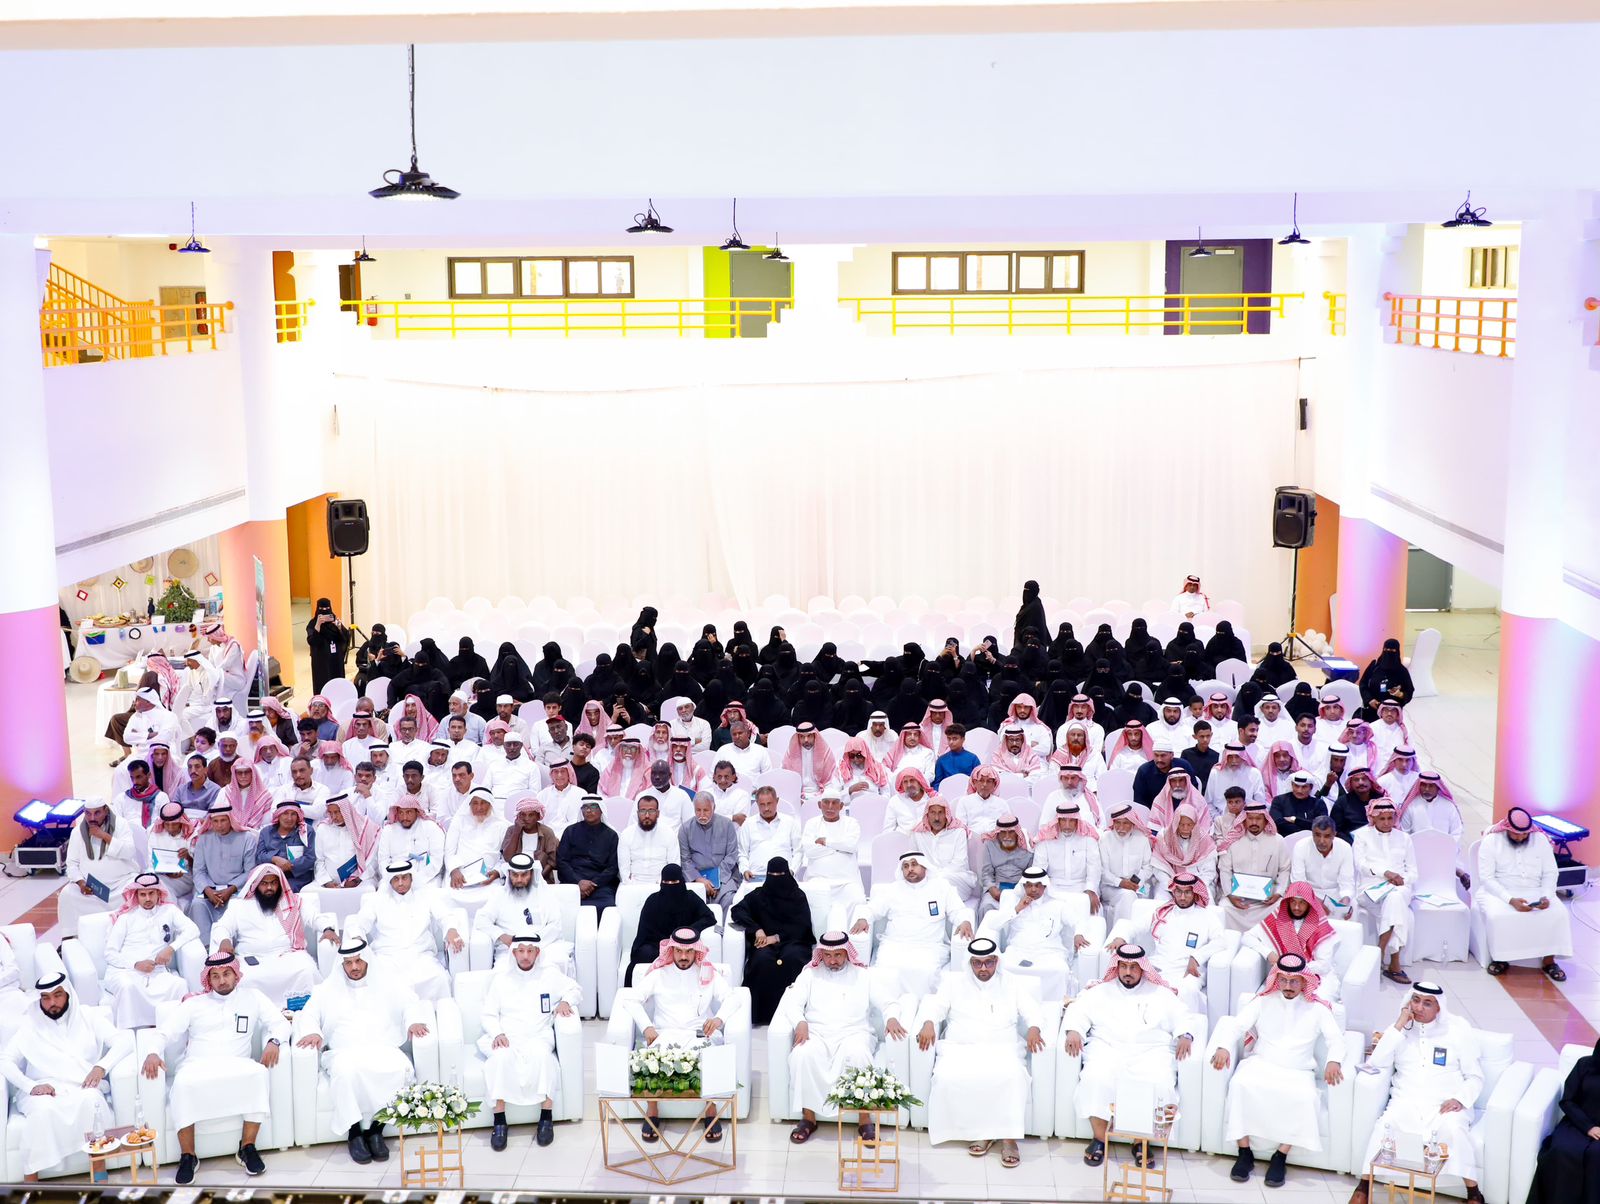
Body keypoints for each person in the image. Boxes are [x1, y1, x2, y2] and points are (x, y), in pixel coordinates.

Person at [143, 951, 287, 1183]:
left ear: (236, 975)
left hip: (237, 1064)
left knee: (259, 1074)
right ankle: (188, 1156)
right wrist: (152, 1052)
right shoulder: (194, 1004)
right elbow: (165, 1032)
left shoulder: (253, 997)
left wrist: (274, 1041)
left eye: (226, 974)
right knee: (182, 1083)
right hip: (197, 1066)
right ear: (208, 980)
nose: (221, 980)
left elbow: (279, 1023)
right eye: (216, 976)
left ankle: (247, 1148)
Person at [1212, 953, 1345, 1187]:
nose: (1288, 986)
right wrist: (1223, 1047)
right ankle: (1245, 1153)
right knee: (1239, 1084)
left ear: (1305, 981)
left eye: (1294, 981)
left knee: (1305, 1097)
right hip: (1262, 1062)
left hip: (1298, 1070)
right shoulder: (1263, 1001)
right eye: (1283, 980)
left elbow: (1336, 1039)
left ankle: (1280, 1156)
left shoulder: (1317, 1009)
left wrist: (1334, 1060)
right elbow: (1237, 1025)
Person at [295, 937, 430, 1164]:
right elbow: (308, 1014)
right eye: (348, 963)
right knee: (346, 1072)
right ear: (341, 965)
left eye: (358, 961)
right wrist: (313, 1032)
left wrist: (413, 1021)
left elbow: (411, 1002)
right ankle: (355, 1133)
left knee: (398, 1068)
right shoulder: (327, 988)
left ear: (367, 961)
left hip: (382, 1046)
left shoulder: (387, 982)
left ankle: (377, 1130)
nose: (354, 967)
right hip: (343, 1051)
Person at [915, 936, 1046, 1166]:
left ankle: (1008, 1139)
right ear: (970, 963)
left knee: (1013, 1077)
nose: (983, 968)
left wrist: (1035, 1028)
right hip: (961, 1048)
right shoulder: (954, 983)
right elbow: (935, 1006)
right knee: (947, 1077)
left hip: (1002, 1048)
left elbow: (1032, 1010)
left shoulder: (1012, 983)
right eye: (977, 963)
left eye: (988, 962)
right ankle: (981, 1134)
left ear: (997, 961)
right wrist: (927, 1022)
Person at [1351, 983, 1485, 1204]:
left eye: (1427, 1003)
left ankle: (1473, 1193)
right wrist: (1400, 1025)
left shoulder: (1457, 1030)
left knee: (1454, 1130)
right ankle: (1363, 1186)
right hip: (1407, 1100)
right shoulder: (1399, 1029)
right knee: (1385, 1125)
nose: (1419, 1007)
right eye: (1415, 1000)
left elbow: (1475, 1076)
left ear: (1438, 1008)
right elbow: (1376, 1061)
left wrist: (1460, 1099)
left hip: (1444, 1104)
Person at [773, 931, 911, 1145]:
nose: (832, 960)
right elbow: (792, 1002)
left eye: (838, 955)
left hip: (854, 1033)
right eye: (827, 956)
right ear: (821, 954)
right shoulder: (810, 974)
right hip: (817, 1033)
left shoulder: (863, 975)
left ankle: (864, 1120)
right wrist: (800, 1022)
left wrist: (891, 1018)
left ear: (847, 953)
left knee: (858, 1055)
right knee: (802, 1054)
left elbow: (888, 1002)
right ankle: (808, 1118)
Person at [1062, 943, 1194, 1167]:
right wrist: (1074, 1030)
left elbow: (1183, 1016)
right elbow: (1078, 1010)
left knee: (1158, 1082)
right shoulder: (1101, 991)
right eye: (1123, 966)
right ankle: (1099, 1139)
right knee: (1096, 1079)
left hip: (1151, 1051)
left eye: (1134, 967)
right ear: (1117, 966)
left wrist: (1185, 1036)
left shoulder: (1160, 993)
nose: (1128, 972)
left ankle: (1141, 1142)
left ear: (1143, 968)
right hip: (1108, 1048)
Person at [0, 970, 134, 1182]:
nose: (52, 1002)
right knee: (42, 1111)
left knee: (92, 1101)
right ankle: (30, 1185)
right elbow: (5, 1060)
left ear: (68, 994)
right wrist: (30, 1086)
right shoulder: (29, 1024)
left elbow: (124, 1041)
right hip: (44, 1091)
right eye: (45, 998)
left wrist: (101, 1067)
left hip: (81, 1086)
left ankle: (99, 1174)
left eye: (58, 995)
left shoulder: (89, 1016)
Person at [624, 928, 739, 1141]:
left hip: (698, 1034)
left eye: (688, 952)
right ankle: (652, 1112)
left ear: (697, 952)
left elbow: (733, 998)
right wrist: (647, 1027)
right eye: (678, 951)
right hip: (665, 1035)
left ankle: (711, 1111)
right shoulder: (659, 974)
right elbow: (631, 999)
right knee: (651, 1055)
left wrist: (717, 1019)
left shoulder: (707, 974)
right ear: (671, 951)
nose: (684, 957)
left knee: (712, 1055)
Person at [478, 932, 581, 1150]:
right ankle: (499, 1122)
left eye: (530, 951)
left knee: (543, 1058)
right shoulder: (501, 979)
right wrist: (497, 1033)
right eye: (521, 951)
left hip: (538, 1035)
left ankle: (546, 1118)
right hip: (508, 1036)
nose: (525, 956)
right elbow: (488, 1014)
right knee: (500, 1059)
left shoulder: (550, 975)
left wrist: (565, 1001)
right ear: (514, 952)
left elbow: (574, 989)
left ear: (537, 952)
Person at [331, 863, 466, 1000]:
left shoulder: (425, 896)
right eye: (395, 879)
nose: (400, 883)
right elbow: (358, 923)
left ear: (411, 878)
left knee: (439, 979)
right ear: (390, 881)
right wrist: (358, 939)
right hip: (387, 958)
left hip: (420, 956)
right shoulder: (377, 900)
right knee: (382, 984)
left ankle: (435, 1016)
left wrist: (451, 930)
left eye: (404, 878)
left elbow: (446, 916)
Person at [850, 850, 974, 996]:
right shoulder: (893, 890)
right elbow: (872, 909)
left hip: (929, 946)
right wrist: (863, 918)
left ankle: (923, 1011)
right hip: (894, 944)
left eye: (914, 864)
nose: (910, 869)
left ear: (924, 866)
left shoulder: (942, 887)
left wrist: (964, 921)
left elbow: (957, 910)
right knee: (885, 972)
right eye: (906, 866)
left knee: (926, 972)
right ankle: (889, 1012)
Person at [1474, 806, 1573, 980]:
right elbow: (1487, 879)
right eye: (1516, 834)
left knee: (1559, 914)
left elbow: (1550, 873)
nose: (1521, 837)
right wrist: (1510, 900)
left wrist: (1546, 896)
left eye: (1525, 834)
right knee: (1498, 915)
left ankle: (1549, 961)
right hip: (1499, 892)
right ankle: (1501, 959)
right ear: (1507, 829)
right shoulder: (1491, 841)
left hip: (1536, 890)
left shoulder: (1540, 840)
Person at [211, 863, 319, 1005]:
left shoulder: (292, 902)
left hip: (288, 955)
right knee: (244, 978)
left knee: (307, 970)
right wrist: (225, 940)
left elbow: (315, 917)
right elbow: (221, 926)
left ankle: (302, 1011)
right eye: (264, 883)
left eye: (274, 883)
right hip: (251, 958)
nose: (269, 887)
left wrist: (328, 929)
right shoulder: (239, 905)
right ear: (255, 884)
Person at [1120, 872, 1225, 1012]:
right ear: (1173, 891)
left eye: (1187, 892)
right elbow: (1134, 926)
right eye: (1179, 892)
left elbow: (1221, 941)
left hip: (1187, 972)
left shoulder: (1207, 916)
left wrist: (1197, 957)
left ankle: (1186, 1031)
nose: (1182, 897)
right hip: (1159, 965)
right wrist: (1121, 937)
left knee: (1187, 991)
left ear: (1194, 893)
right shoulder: (1162, 912)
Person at [730, 857, 816, 1024]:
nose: (776, 879)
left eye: (780, 874)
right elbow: (737, 910)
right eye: (772, 875)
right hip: (764, 945)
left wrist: (776, 937)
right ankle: (761, 1016)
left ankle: (794, 1014)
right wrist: (757, 929)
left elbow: (802, 927)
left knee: (792, 959)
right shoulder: (759, 895)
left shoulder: (797, 896)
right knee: (762, 960)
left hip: (793, 941)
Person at [984, 867, 1087, 999]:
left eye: (1038, 885)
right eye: (1029, 885)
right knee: (1002, 968)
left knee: (1060, 970)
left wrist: (1078, 934)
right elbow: (993, 924)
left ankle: (1055, 1005)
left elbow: (1078, 920)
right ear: (1023, 886)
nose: (1033, 889)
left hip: (1050, 952)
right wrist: (1017, 909)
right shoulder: (1015, 903)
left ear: (1045, 886)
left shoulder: (1057, 904)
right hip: (1018, 951)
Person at [1526, 1035, 1600, 1204]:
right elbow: (1567, 1100)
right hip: (1577, 1122)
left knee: (1597, 1156)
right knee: (1561, 1150)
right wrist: (1588, 1127)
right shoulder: (1584, 1065)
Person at [1352, 800, 1416, 984]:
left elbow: (1414, 872)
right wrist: (1385, 874)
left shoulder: (1404, 838)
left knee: (1394, 899)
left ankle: (1379, 953)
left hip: (1399, 887)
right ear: (1372, 818)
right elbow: (1361, 865)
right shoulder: (1362, 836)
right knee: (1396, 907)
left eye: (1390, 818)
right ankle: (1393, 963)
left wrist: (1402, 879)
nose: (1387, 822)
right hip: (1370, 890)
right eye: (1382, 819)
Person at [1244, 881, 1345, 998]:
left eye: (1302, 903)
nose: (1297, 907)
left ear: (1309, 903)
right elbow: (1247, 937)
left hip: (1315, 976)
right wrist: (1269, 954)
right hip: (1284, 977)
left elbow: (1324, 965)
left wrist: (1294, 969)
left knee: (1317, 999)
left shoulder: (1320, 927)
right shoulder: (1278, 918)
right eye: (1293, 902)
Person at [473, 854, 573, 969]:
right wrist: (502, 936)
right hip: (510, 950)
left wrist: (532, 945)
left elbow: (555, 925)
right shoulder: (500, 895)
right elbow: (481, 919)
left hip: (543, 946)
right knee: (504, 971)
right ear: (509, 874)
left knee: (556, 964)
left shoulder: (545, 894)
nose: (519, 880)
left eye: (524, 874)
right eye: (515, 875)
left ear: (531, 874)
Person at [60, 798, 142, 936]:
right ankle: (72, 937)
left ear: (105, 811)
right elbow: (72, 863)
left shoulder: (120, 825)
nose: (92, 818)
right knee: (67, 894)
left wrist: (104, 836)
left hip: (120, 883)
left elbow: (129, 852)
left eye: (97, 813)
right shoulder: (77, 831)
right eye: (88, 814)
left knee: (134, 890)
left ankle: (131, 933)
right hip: (91, 887)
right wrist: (81, 883)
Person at [627, 864, 715, 984]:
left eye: (674, 881)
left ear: (681, 881)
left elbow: (709, 917)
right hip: (656, 946)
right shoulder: (653, 901)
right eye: (666, 882)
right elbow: (644, 932)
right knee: (643, 954)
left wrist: (687, 932)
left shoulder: (690, 898)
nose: (670, 885)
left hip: (683, 946)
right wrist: (665, 945)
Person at [189, 799, 260, 946]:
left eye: (223, 820)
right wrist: (208, 890)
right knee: (197, 904)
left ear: (231, 820)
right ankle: (206, 948)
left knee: (237, 905)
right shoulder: (203, 839)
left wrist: (231, 889)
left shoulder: (247, 839)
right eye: (215, 821)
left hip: (237, 890)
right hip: (209, 890)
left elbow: (250, 872)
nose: (219, 825)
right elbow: (198, 871)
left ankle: (232, 948)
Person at [1217, 801, 1287, 932]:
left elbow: (1284, 869)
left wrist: (1278, 893)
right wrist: (1230, 895)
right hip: (1238, 899)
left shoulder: (1278, 841)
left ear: (1266, 820)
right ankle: (1228, 944)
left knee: (1281, 907)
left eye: (1258, 818)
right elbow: (1225, 869)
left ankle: (1268, 944)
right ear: (1244, 820)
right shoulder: (1232, 841)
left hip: (1267, 901)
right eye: (1250, 818)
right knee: (1223, 908)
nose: (1254, 822)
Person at [1030, 802, 1102, 919]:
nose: (1067, 825)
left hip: (1081, 887)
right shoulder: (1045, 839)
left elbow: (1094, 867)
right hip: (1053, 888)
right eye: (1063, 820)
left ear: (1077, 821)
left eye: (1071, 820)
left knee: (1093, 911)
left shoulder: (1088, 838)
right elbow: (1039, 868)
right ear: (1058, 821)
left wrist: (1091, 889)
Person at [799, 788, 865, 915]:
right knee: (812, 904)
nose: (830, 807)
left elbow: (851, 846)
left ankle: (848, 935)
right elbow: (810, 851)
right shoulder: (812, 824)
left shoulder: (851, 823)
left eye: (835, 803)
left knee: (858, 900)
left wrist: (826, 842)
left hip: (847, 881)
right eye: (826, 802)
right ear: (819, 805)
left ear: (841, 806)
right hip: (818, 880)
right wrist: (840, 847)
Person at [557, 796, 621, 912]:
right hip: (573, 882)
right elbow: (562, 861)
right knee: (562, 908)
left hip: (600, 885)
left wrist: (593, 884)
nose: (588, 810)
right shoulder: (570, 831)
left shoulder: (611, 835)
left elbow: (613, 867)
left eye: (593, 806)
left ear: (601, 809)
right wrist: (578, 882)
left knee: (608, 908)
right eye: (585, 807)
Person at [910, 795, 977, 903]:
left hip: (956, 880)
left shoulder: (958, 832)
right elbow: (915, 860)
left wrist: (935, 876)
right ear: (927, 814)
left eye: (940, 812)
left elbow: (959, 863)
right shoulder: (918, 834)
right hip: (926, 879)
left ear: (947, 814)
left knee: (944, 880)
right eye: (933, 813)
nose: (937, 818)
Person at [736, 786, 802, 895]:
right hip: (755, 877)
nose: (766, 808)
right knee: (738, 903)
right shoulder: (748, 824)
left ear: (777, 801)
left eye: (769, 803)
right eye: (762, 804)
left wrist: (792, 871)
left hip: (784, 876)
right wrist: (745, 870)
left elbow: (798, 851)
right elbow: (742, 854)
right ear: (756, 804)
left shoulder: (789, 822)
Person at [1098, 800, 1155, 926]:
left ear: (1133, 824)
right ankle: (1122, 938)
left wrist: (1134, 882)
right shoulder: (1105, 839)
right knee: (1128, 896)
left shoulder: (1142, 839)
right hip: (1111, 887)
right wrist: (1121, 883)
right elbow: (1102, 871)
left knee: (1145, 899)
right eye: (1117, 823)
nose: (1121, 827)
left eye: (1125, 823)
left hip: (1138, 885)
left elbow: (1148, 866)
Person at [680, 792, 740, 908]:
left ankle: (723, 927)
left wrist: (715, 882)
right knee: (691, 904)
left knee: (729, 899)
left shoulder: (727, 824)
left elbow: (731, 855)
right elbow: (685, 860)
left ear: (714, 808)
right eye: (698, 810)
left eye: (706, 810)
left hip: (724, 878)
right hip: (697, 879)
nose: (702, 815)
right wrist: (699, 879)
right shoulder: (685, 829)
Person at [375, 791, 446, 888]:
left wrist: (415, 879)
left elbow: (436, 860)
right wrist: (393, 878)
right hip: (393, 878)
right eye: (401, 813)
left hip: (426, 878)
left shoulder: (431, 827)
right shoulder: (388, 830)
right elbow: (383, 860)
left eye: (408, 812)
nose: (404, 817)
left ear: (417, 812)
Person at [444, 787, 508, 893]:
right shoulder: (459, 821)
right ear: (469, 805)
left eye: (483, 803)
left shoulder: (501, 825)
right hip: (460, 875)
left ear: (490, 804)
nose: (479, 807)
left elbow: (505, 857)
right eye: (475, 803)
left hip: (489, 877)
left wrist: (497, 872)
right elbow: (449, 851)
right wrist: (454, 870)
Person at [1290, 817, 1356, 919]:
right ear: (1312, 833)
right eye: (1317, 835)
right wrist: (1316, 901)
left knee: (1352, 911)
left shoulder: (1345, 848)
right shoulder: (1301, 846)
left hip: (1336, 894)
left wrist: (1345, 900)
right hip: (1308, 894)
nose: (1321, 841)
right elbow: (1298, 882)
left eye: (1327, 836)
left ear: (1334, 835)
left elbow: (1346, 882)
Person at [1151, 801, 1218, 898]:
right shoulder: (1164, 837)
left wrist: (1194, 887)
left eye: (1189, 825)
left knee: (1208, 898)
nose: (1185, 828)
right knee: (1160, 897)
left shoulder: (1204, 840)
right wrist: (1171, 885)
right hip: (1170, 883)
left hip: (1197, 883)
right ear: (1175, 823)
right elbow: (1158, 867)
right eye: (1181, 824)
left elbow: (1209, 871)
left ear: (1195, 824)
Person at [314, 793, 378, 891]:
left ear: (346, 810)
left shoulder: (363, 827)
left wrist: (357, 880)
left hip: (361, 880)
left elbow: (373, 859)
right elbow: (319, 860)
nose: (333, 817)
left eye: (337, 812)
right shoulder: (322, 829)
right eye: (330, 813)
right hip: (330, 883)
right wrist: (326, 882)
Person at [253, 799, 318, 891]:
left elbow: (310, 857)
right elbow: (259, 856)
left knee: (284, 890)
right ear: (278, 815)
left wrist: (288, 865)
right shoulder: (266, 832)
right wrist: (274, 859)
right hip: (270, 876)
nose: (289, 818)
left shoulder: (306, 831)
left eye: (293, 814)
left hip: (297, 877)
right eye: (285, 813)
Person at [978, 815, 1034, 920]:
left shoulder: (1027, 846)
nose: (1006, 836)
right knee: (986, 908)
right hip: (996, 887)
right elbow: (986, 873)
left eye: (1011, 832)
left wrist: (1022, 893)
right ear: (998, 833)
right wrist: (993, 890)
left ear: (1017, 833)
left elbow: (1031, 875)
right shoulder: (990, 844)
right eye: (1003, 832)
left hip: (1020, 888)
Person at [619, 794, 678, 886]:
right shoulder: (626, 834)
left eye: (651, 811)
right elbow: (624, 869)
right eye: (643, 811)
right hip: (632, 884)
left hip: (662, 883)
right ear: (637, 813)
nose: (647, 815)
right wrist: (630, 884)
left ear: (658, 813)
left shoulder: (669, 833)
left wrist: (662, 883)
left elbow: (674, 864)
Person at [501, 795, 560, 882]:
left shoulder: (547, 832)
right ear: (518, 816)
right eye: (523, 815)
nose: (526, 818)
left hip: (541, 878)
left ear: (537, 816)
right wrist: (516, 832)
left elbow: (552, 862)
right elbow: (507, 858)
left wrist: (536, 879)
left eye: (531, 815)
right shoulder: (512, 830)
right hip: (515, 877)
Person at [1397, 771, 1464, 842]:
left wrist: (1447, 847)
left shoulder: (1448, 806)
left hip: (1443, 850)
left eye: (1431, 786)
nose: (1426, 789)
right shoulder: (1411, 805)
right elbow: (1404, 832)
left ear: (1438, 787)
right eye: (1423, 785)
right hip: (1417, 849)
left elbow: (1456, 832)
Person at [782, 722, 838, 804]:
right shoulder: (791, 753)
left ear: (815, 735)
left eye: (809, 736)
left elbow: (831, 779)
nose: (806, 740)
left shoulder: (824, 752)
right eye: (802, 737)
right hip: (798, 796)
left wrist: (823, 796)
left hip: (821, 794)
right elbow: (787, 778)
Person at [306, 597, 352, 693]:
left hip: (336, 660)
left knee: (337, 683)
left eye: (327, 609)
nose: (324, 612)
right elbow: (312, 641)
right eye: (321, 610)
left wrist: (339, 628)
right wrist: (318, 625)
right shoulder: (313, 624)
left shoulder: (334, 621)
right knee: (322, 683)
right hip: (321, 661)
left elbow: (345, 638)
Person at [1358, 637, 1415, 711]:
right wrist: (1369, 699)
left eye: (1392, 650)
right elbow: (1363, 683)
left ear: (1397, 652)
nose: (1388, 653)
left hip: (1392, 713)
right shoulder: (1375, 666)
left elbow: (1409, 690)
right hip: (1372, 709)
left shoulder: (1402, 671)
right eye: (1386, 650)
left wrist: (1400, 694)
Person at [1270, 770, 1324, 838]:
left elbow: (1321, 825)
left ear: (1311, 787)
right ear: (1292, 785)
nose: (1299, 790)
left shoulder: (1318, 803)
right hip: (1285, 840)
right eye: (1296, 786)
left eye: (1304, 787)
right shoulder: (1279, 800)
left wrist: (1294, 819)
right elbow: (1277, 822)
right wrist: (1307, 827)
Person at [932, 722, 980, 787]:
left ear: (963, 739)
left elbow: (978, 781)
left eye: (955, 739)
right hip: (946, 793)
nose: (951, 742)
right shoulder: (941, 760)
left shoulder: (973, 759)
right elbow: (937, 783)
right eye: (949, 738)